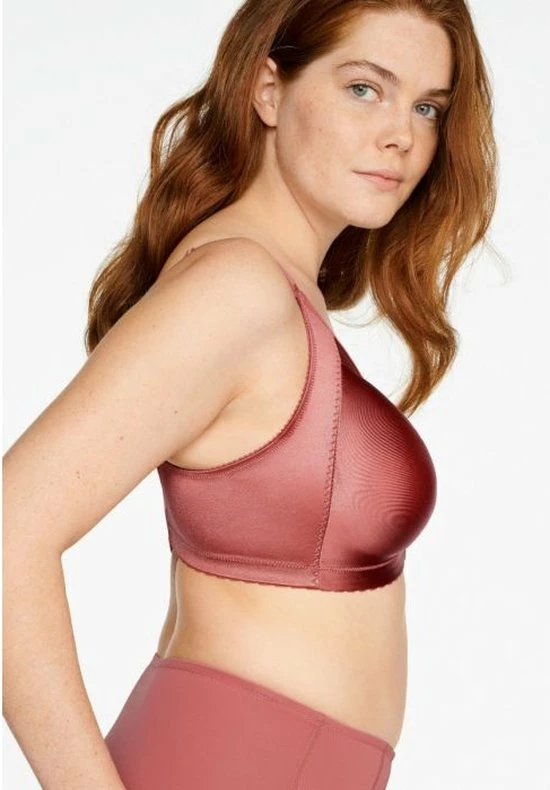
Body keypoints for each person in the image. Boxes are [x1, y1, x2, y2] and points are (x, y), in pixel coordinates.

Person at [3, 0, 498, 787]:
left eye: (427, 107)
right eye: (364, 88)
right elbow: (10, 527)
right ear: (269, 90)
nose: (402, 135)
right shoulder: (238, 287)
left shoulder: (275, 286)